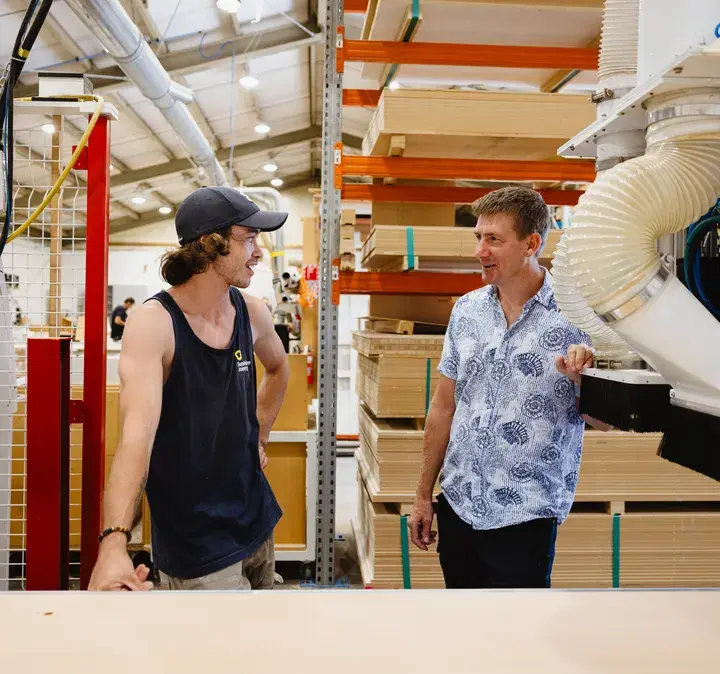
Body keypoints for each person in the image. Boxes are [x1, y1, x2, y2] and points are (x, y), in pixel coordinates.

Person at [88, 186, 290, 591]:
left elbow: (279, 368)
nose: (258, 251)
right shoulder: (154, 324)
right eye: (248, 238)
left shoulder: (252, 313)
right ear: (208, 245)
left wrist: (260, 433)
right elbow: (135, 438)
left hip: (257, 522)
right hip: (197, 543)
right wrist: (113, 543)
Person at [409, 186, 611, 589]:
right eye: (478, 238)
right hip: (460, 505)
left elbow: (603, 423)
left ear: (531, 244)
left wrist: (583, 381)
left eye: (494, 240)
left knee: (518, 641)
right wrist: (422, 495)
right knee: (464, 630)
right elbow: (443, 407)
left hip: (526, 517)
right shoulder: (466, 311)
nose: (479, 251)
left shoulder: (577, 318)